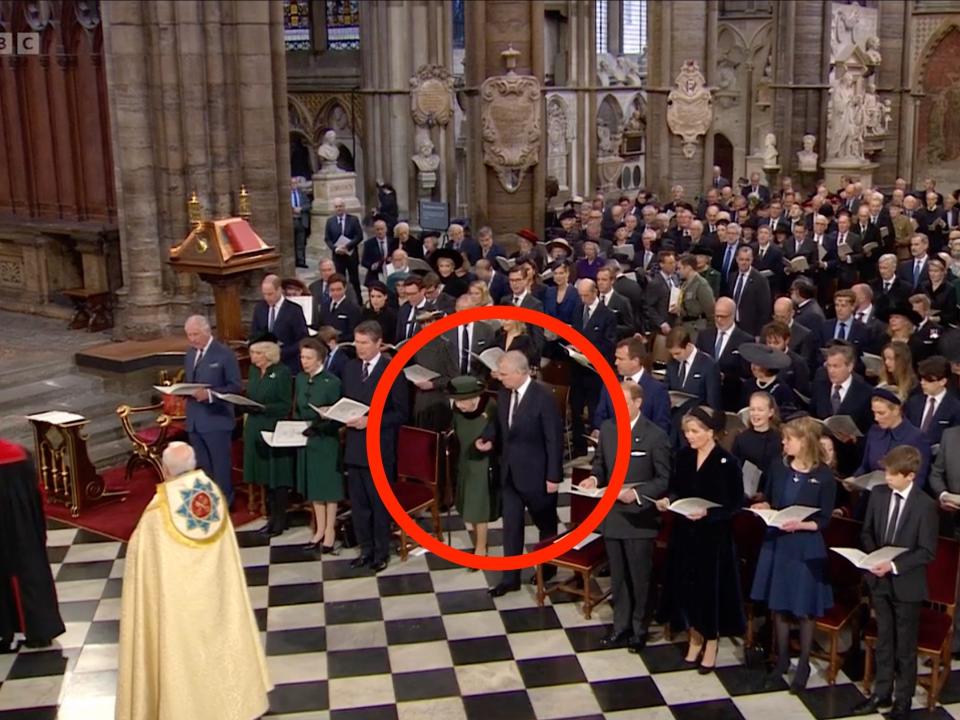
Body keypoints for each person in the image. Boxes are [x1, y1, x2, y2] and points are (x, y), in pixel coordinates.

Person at [116, 442, 272, 720]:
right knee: (220, 645)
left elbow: (142, 559)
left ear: (164, 470)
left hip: (179, 606)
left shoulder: (158, 512)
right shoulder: (212, 495)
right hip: (216, 595)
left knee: (182, 656)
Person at [579, 381, 671, 652]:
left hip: (639, 518)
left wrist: (638, 493)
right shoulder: (607, 429)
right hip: (613, 516)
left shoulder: (655, 436)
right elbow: (600, 464)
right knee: (618, 577)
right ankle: (621, 628)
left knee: (639, 578)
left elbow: (663, 478)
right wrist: (594, 478)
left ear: (638, 403)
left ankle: (639, 629)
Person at [656, 406, 745, 673]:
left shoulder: (727, 462)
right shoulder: (683, 456)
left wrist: (709, 512)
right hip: (685, 533)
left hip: (713, 539)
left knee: (710, 592)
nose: (689, 437)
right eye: (686, 432)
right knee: (687, 587)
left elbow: (735, 504)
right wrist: (668, 500)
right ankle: (694, 638)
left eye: (694, 432)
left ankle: (711, 642)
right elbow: (676, 488)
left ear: (710, 432)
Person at [851, 446, 937, 720]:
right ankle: (881, 693)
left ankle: (903, 700)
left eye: (892, 473)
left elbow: (926, 551)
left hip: (907, 585)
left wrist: (894, 565)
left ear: (909, 476)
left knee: (905, 647)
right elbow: (866, 532)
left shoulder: (925, 506)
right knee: (884, 641)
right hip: (879, 582)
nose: (886, 478)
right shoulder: (877, 495)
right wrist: (875, 557)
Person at [750, 416, 836, 693]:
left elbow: (824, 519)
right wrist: (765, 507)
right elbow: (774, 501)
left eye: (789, 439)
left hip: (805, 545)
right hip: (778, 542)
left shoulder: (823, 475)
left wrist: (801, 524)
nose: (783, 443)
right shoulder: (779, 467)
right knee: (779, 605)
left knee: (804, 608)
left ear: (805, 442)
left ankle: (804, 664)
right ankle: (782, 660)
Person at [478, 351, 564, 596]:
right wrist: (487, 438)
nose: (499, 377)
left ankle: (548, 568)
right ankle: (510, 578)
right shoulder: (504, 393)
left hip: (537, 475)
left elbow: (553, 440)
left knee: (546, 525)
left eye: (503, 374)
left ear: (519, 372)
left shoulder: (544, 397)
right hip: (509, 473)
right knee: (511, 527)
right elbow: (498, 424)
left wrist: (553, 477)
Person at [341, 321, 409, 573]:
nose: (359, 348)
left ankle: (381, 552)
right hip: (354, 447)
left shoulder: (393, 370)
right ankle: (365, 550)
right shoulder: (349, 368)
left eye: (364, 343)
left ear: (378, 343)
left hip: (380, 448)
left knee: (379, 505)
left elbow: (402, 413)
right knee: (358, 506)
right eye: (356, 342)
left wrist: (370, 421)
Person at [0, 439, 64, 650]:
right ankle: (40, 630)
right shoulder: (19, 452)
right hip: (26, 525)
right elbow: (38, 493)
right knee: (31, 568)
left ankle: (5, 632)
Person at [183, 315, 242, 505]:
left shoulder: (224, 354)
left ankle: (225, 504)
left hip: (216, 419)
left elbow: (235, 387)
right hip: (194, 420)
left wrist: (209, 395)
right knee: (203, 467)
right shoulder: (190, 354)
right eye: (189, 335)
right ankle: (207, 504)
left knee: (220, 466)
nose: (192, 339)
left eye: (195, 334)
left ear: (207, 331)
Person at [294, 338, 343, 553]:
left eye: (308, 358)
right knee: (314, 485)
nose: (304, 362)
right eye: (302, 357)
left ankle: (330, 531)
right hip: (307, 438)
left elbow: (338, 415)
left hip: (326, 439)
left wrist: (323, 423)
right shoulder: (301, 380)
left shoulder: (332, 381)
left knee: (328, 486)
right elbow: (297, 407)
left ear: (320, 359)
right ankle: (319, 529)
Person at [243, 335, 294, 537]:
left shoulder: (281, 372)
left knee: (276, 476)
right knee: (263, 475)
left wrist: (264, 408)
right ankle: (270, 517)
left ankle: (280, 520)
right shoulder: (254, 371)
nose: (252, 356)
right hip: (254, 426)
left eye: (256, 353)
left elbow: (285, 405)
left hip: (272, 426)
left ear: (267, 354)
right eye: (252, 352)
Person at [448, 376, 500, 563]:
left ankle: (481, 548)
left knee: (479, 506)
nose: (459, 405)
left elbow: (499, 431)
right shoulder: (456, 409)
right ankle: (478, 540)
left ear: (473, 397)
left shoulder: (490, 406)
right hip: (464, 460)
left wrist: (490, 443)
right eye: (456, 401)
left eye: (462, 401)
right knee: (467, 503)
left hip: (482, 462)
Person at [250, 274, 309, 374]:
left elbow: (303, 339)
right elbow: (254, 333)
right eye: (264, 294)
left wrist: (280, 353)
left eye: (270, 294)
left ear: (279, 290)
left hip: (287, 363)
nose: (267, 298)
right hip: (264, 364)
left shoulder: (294, 310)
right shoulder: (259, 308)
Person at [731, 392, 782, 500]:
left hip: (772, 496)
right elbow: (734, 469)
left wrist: (765, 493)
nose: (755, 414)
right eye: (752, 409)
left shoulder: (781, 439)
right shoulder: (741, 438)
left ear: (771, 412)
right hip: (746, 496)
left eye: (760, 410)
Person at [324, 197, 364, 299]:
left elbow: (359, 236)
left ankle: (358, 301)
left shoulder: (353, 220)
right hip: (338, 256)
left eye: (340, 206)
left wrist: (348, 245)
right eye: (336, 207)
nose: (339, 209)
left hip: (351, 254)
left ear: (344, 207)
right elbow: (327, 239)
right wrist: (335, 248)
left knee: (354, 279)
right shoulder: (330, 221)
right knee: (339, 279)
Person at [317, 272, 362, 341]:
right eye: (332, 290)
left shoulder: (353, 308)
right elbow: (320, 325)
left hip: (343, 345)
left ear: (345, 288)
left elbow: (354, 332)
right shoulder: (324, 306)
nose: (335, 293)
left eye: (339, 289)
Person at [361, 280, 398, 346]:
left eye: (379, 296)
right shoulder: (365, 313)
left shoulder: (392, 315)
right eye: (372, 296)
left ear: (385, 297)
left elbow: (394, 340)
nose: (375, 300)